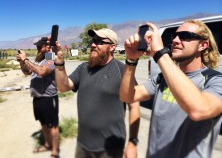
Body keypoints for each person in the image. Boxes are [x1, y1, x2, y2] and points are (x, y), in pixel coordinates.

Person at [120, 20, 222, 158]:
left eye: (185, 36)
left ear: (203, 45)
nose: (175, 40)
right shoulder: (162, 78)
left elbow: (199, 110)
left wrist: (160, 53)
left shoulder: (215, 80)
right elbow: (127, 96)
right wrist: (131, 60)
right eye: (174, 36)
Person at [54, 28, 140, 158]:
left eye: (99, 42)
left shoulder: (123, 71)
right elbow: (64, 87)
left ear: (112, 47)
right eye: (93, 41)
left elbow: (134, 106)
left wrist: (132, 142)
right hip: (83, 144)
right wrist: (59, 62)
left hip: (110, 147)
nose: (93, 44)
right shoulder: (84, 68)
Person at [16, 37, 60, 158]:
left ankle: (55, 151)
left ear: (47, 47)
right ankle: (47, 145)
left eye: (40, 47)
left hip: (49, 98)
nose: (38, 49)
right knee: (43, 124)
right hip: (37, 97)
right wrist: (22, 62)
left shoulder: (51, 57)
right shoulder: (39, 59)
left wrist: (25, 59)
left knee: (53, 125)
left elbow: (41, 72)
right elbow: (27, 72)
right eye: (37, 47)